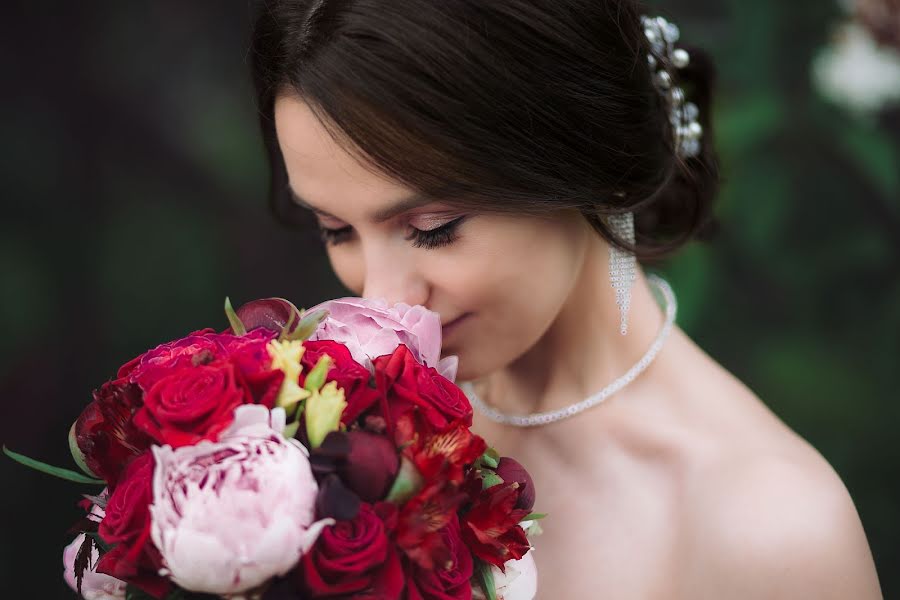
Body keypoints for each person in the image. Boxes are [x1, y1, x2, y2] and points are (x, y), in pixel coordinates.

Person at [249, 0, 883, 597]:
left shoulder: (772, 532)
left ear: (585, 159)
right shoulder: (326, 427)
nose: (383, 300)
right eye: (336, 229)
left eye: (432, 227)